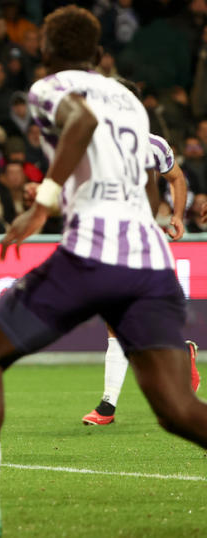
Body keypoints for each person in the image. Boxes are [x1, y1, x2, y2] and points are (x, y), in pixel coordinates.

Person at [0, 7, 207, 535]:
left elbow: (82, 122)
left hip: (92, 257)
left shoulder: (49, 87)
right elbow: (142, 178)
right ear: (98, 53)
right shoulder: (131, 100)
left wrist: (42, 203)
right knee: (178, 410)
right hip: (150, 262)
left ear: (46, 47)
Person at [81, 120, 201, 425]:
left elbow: (177, 178)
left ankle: (108, 406)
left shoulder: (153, 145)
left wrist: (177, 215)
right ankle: (108, 406)